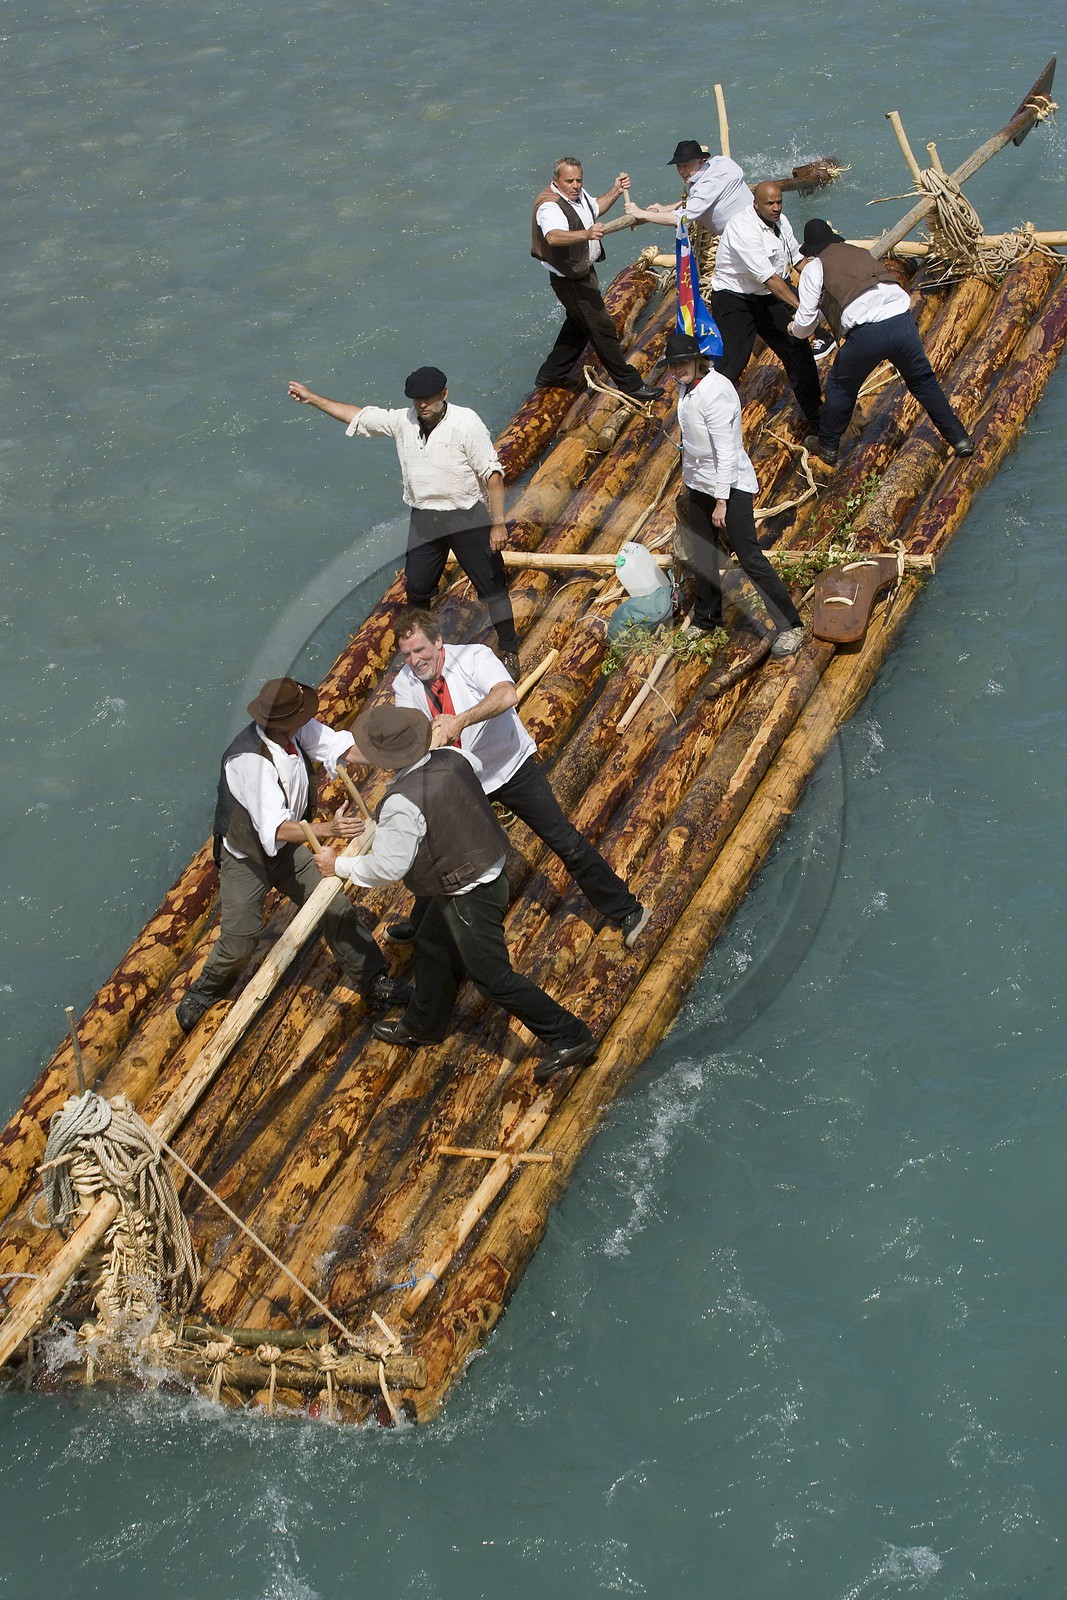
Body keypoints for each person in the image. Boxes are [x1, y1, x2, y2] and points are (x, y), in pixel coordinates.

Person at [313, 705, 598, 1085]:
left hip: (467, 892)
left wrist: (340, 867)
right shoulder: (454, 756)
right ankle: (424, 1024)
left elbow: (389, 867)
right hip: (489, 866)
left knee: (493, 978)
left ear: (383, 760)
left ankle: (570, 1036)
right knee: (431, 942)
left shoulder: (400, 803)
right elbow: (465, 787)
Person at [385, 607, 650, 947]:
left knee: (564, 841)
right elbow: (411, 732)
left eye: (420, 650)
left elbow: (506, 695)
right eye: (407, 654)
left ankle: (627, 910)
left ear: (438, 641)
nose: (415, 660)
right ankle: (420, 923)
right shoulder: (405, 683)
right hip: (462, 780)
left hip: (509, 766)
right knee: (435, 850)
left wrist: (459, 721)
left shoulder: (473, 658)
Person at [175, 677, 407, 1034]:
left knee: (334, 905)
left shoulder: (295, 731)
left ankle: (373, 980)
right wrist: (330, 829)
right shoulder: (249, 762)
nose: (308, 718)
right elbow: (278, 829)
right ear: (283, 723)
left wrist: (393, 756)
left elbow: (339, 748)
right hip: (247, 859)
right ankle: (204, 993)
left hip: (288, 850)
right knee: (241, 938)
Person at [288, 368, 521, 678]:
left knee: (493, 587)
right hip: (424, 518)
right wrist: (312, 398)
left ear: (444, 395)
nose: (421, 405)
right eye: (416, 400)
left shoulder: (466, 423)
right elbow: (357, 417)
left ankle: (509, 648)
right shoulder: (403, 421)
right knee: (417, 587)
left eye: (427, 399)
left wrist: (498, 524)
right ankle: (421, 650)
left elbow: (493, 475)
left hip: (466, 517)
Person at [788, 220, 974, 466]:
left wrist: (795, 329)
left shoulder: (814, 268)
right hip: (902, 323)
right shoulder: (860, 253)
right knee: (923, 383)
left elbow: (806, 322)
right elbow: (857, 296)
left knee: (840, 387)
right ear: (835, 240)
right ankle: (960, 439)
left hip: (867, 335)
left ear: (811, 251)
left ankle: (828, 445)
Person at [665, 331, 805, 657]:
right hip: (699, 483)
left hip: (729, 486)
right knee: (703, 553)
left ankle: (790, 625)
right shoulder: (688, 386)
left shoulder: (715, 393)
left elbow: (726, 452)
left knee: (750, 558)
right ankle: (707, 618)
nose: (677, 369)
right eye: (673, 365)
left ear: (699, 360)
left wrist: (722, 501)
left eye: (682, 362)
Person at [532, 156, 663, 401]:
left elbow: (596, 207)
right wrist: (586, 233)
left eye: (579, 180)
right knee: (602, 327)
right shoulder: (549, 206)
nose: (575, 185)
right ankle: (631, 385)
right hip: (570, 280)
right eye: (569, 181)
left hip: (583, 272)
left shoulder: (576, 195)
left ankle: (551, 373)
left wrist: (615, 190)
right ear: (556, 180)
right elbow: (553, 237)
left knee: (578, 326)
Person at [709, 182, 822, 431]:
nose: (776, 208)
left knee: (797, 347)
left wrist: (824, 281)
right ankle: (707, 411)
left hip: (764, 296)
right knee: (735, 360)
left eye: (779, 202)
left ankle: (816, 416)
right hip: (734, 298)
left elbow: (799, 260)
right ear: (756, 203)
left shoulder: (781, 223)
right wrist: (803, 307)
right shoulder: (743, 228)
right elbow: (770, 278)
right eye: (770, 204)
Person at [623, 139, 753, 238]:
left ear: (701, 161)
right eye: (679, 166)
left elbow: (680, 219)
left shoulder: (708, 184)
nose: (682, 171)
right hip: (749, 226)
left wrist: (641, 213)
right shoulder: (720, 162)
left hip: (745, 235)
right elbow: (694, 200)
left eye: (686, 165)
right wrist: (666, 209)